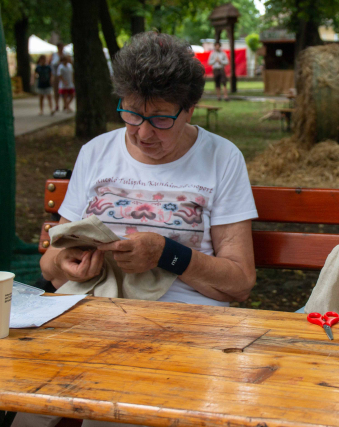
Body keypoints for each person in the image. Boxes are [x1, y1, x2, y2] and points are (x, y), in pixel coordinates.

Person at [14, 31, 258, 427]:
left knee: (111, 411)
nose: (143, 133)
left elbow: (240, 281)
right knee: (25, 402)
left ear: (190, 109)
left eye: (161, 118)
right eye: (131, 114)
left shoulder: (221, 158)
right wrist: (68, 264)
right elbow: (49, 266)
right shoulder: (97, 152)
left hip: (184, 326)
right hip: (91, 316)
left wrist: (166, 253)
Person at [49, 42, 64, 114]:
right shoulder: (54, 55)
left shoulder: (65, 55)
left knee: (64, 90)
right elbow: (51, 65)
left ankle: (65, 104)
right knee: (56, 90)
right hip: (56, 75)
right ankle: (57, 104)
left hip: (64, 75)